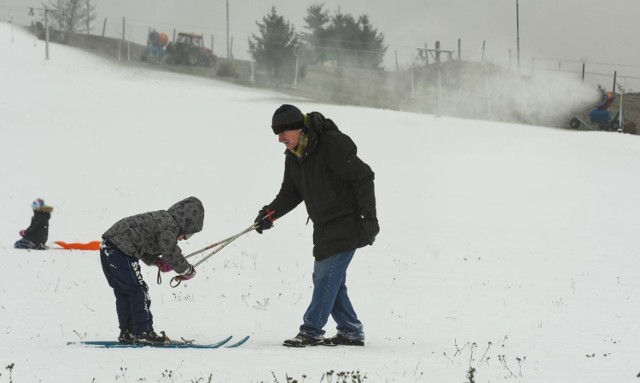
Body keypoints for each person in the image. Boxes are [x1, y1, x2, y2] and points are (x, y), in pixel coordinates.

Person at [254, 104, 379, 348]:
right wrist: (269, 214)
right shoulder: (294, 156)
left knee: (325, 277)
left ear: (297, 128)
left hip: (348, 222)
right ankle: (350, 331)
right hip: (323, 226)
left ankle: (311, 330)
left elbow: (363, 176)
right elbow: (291, 192)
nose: (280, 139)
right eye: (277, 135)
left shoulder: (330, 145)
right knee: (331, 280)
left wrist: (369, 219)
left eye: (283, 134)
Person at [100, 196, 203, 344]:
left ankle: (128, 332)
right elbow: (170, 251)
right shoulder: (169, 225)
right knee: (138, 291)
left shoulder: (162, 219)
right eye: (187, 234)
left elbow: (143, 242)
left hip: (108, 247)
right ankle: (144, 332)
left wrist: (156, 261)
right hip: (121, 250)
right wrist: (186, 270)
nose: (183, 239)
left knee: (124, 292)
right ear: (185, 223)